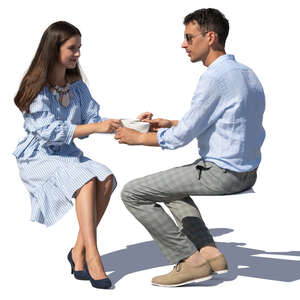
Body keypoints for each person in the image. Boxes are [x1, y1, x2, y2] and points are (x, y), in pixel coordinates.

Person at [115, 8, 265, 287]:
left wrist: (137, 138)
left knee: (133, 192)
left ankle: (189, 260)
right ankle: (210, 253)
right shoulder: (246, 73)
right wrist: (168, 122)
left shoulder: (214, 78)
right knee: (169, 188)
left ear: (210, 37)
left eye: (188, 37)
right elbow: (225, 120)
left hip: (222, 172)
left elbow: (179, 139)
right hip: (247, 170)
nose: (183, 44)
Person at [13, 21, 121, 289]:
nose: (78, 54)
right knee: (84, 178)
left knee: (106, 178)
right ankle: (93, 256)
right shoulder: (36, 86)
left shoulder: (78, 88)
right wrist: (94, 127)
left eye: (79, 48)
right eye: (72, 48)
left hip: (67, 154)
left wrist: (129, 123)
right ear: (54, 49)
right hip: (39, 156)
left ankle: (77, 250)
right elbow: (49, 132)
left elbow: (95, 120)